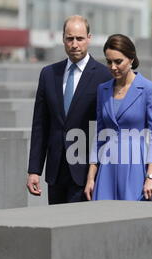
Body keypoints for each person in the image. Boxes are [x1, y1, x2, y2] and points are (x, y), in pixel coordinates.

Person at [26, 16, 112, 204]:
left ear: (89, 38)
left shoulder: (104, 76)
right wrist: (34, 170)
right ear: (63, 39)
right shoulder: (49, 74)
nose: (74, 44)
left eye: (79, 39)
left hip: (86, 172)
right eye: (70, 38)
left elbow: (107, 128)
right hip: (55, 172)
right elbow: (40, 125)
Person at [84, 34, 152, 201]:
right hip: (107, 166)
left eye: (118, 61)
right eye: (109, 61)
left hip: (135, 163)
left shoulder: (149, 90)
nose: (113, 67)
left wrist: (151, 177)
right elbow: (99, 134)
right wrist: (91, 177)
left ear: (131, 59)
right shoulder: (103, 90)